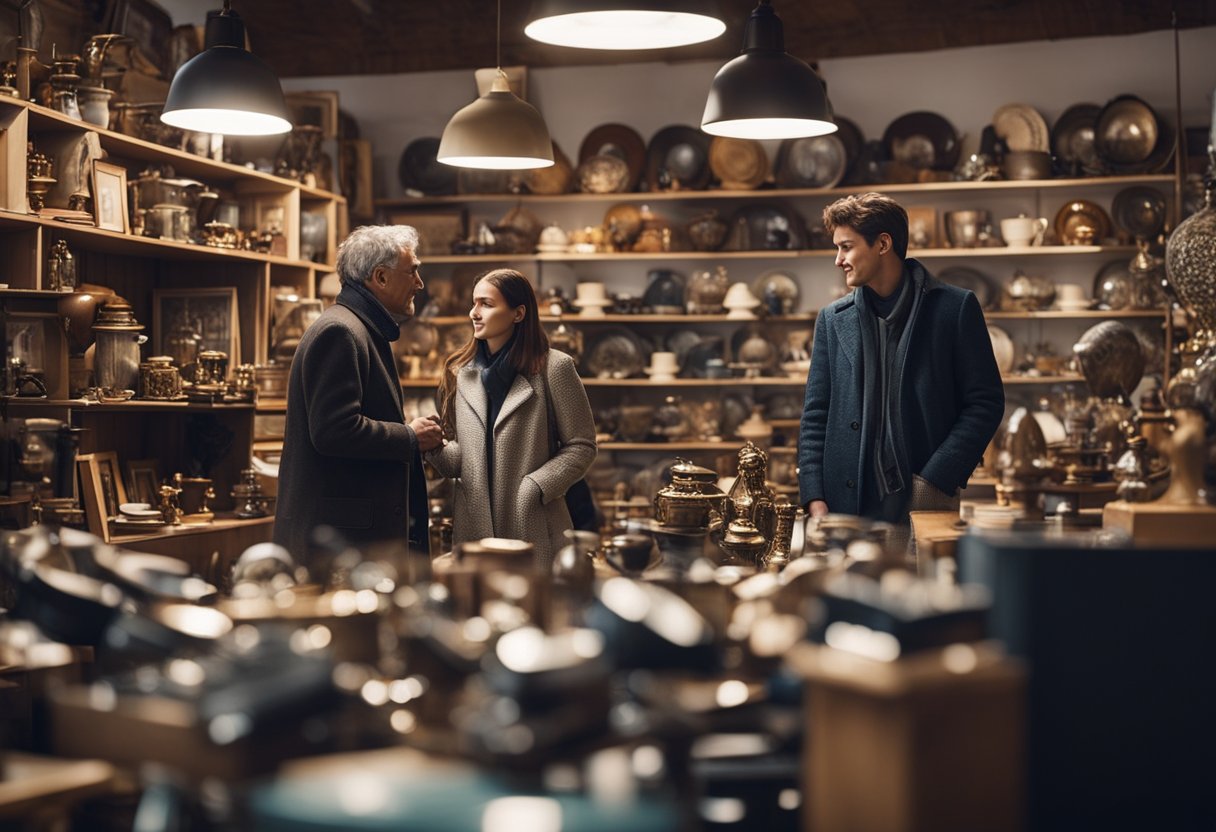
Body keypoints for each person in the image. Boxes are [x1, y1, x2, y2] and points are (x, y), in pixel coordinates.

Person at [798, 192, 1004, 526]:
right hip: (842, 505)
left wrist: (938, 477)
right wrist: (814, 497)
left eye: (846, 246)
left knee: (928, 580)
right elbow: (815, 414)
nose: (838, 260)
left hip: (927, 496)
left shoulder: (954, 309)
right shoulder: (832, 320)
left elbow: (986, 402)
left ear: (882, 244)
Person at [274, 225, 444, 561]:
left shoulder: (358, 327)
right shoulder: (341, 331)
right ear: (380, 277)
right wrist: (409, 436)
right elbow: (334, 430)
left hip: (345, 538)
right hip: (337, 544)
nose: (419, 284)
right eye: (412, 272)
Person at [429, 268, 596, 568]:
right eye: (474, 303)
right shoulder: (461, 372)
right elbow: (461, 461)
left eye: (486, 304)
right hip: (475, 534)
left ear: (518, 314)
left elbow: (582, 446)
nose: (474, 313)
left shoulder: (554, 369)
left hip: (534, 526)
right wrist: (432, 446)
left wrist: (535, 487)